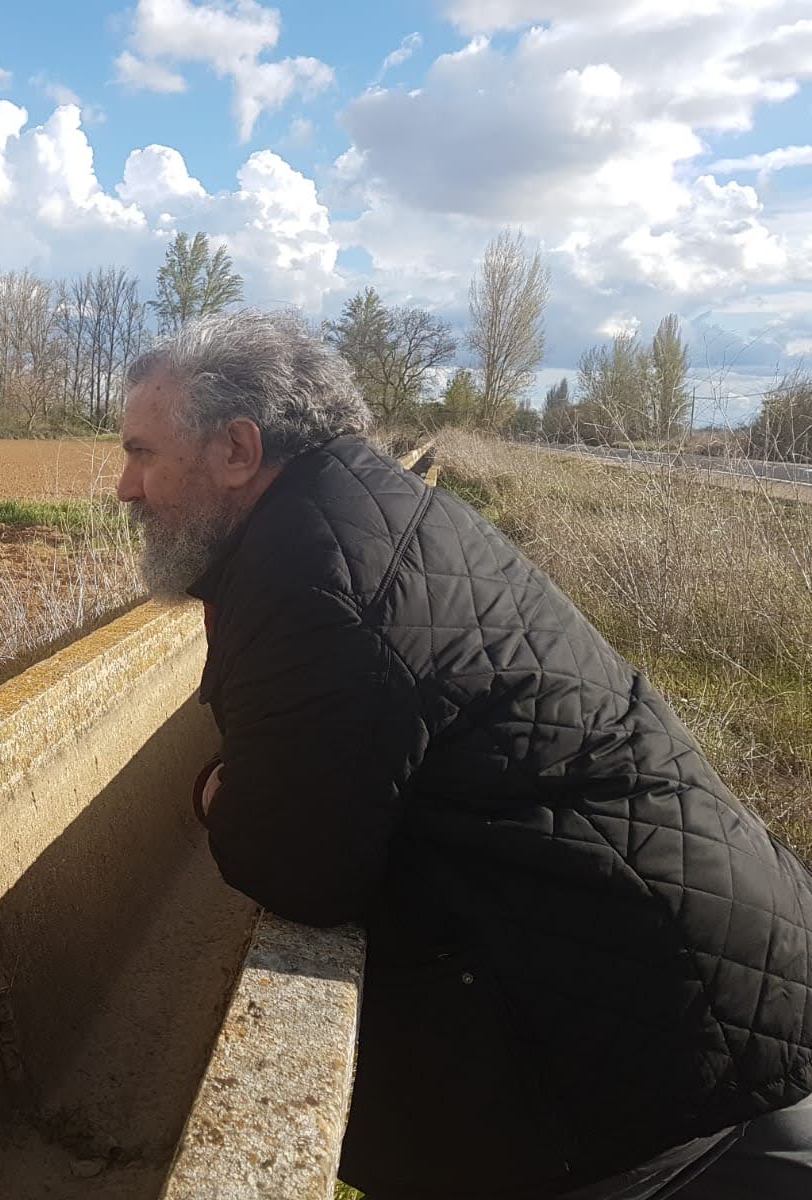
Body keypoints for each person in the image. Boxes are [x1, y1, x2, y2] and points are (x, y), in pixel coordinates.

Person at [116, 311, 812, 1199]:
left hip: (675, 1087)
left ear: (238, 450)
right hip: (694, 997)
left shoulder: (316, 576)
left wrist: (216, 790)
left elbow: (296, 866)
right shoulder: (357, 516)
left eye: (142, 451)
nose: (127, 487)